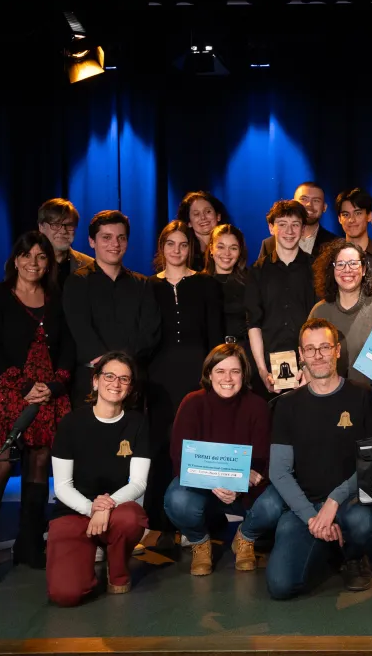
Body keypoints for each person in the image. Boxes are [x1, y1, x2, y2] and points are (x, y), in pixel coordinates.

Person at [0, 231, 73, 579]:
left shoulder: (56, 297)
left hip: (48, 393)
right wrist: (24, 386)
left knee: (39, 463)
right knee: (1, 465)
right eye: (27, 255)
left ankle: (28, 545)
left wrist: (56, 384)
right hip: (11, 389)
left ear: (48, 263)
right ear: (15, 260)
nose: (34, 262)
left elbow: (69, 346)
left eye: (41, 257)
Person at [264, 318, 372, 599]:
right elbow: (278, 472)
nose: (318, 355)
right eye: (310, 349)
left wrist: (334, 501)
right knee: (280, 587)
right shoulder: (287, 405)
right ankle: (329, 549)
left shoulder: (362, 397)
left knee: (362, 522)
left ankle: (352, 556)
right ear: (301, 355)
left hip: (350, 503)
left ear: (337, 351)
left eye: (325, 347)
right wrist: (313, 518)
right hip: (305, 508)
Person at [47, 352, 150, 607]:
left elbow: (138, 483)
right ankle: (87, 557)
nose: (116, 383)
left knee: (131, 518)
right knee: (65, 594)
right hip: (74, 510)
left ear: (130, 387)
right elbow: (61, 487)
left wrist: (106, 506)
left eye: (124, 379)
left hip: (116, 510)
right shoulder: (71, 423)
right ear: (95, 381)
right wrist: (90, 508)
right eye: (109, 376)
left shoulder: (137, 423)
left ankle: (116, 573)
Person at [163, 344, 273, 575]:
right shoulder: (192, 403)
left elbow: (263, 459)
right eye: (220, 371)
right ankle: (200, 542)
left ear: (244, 374)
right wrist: (219, 479)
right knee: (177, 499)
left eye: (235, 371)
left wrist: (239, 484)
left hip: (245, 491)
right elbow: (181, 457)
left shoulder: (258, 406)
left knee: (275, 502)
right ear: (209, 373)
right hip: (204, 489)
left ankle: (245, 537)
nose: (228, 378)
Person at [146, 221, 223, 541]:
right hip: (158, 376)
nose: (176, 251)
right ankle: (159, 522)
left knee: (200, 444)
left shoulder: (206, 284)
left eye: (183, 245)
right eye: (170, 244)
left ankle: (201, 521)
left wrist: (214, 377)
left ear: (192, 249)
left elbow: (216, 336)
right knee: (162, 445)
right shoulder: (147, 286)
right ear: (161, 248)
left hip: (197, 373)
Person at [62, 210, 161, 407]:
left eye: (121, 238)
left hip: (132, 381)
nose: (115, 244)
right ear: (92, 241)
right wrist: (109, 371)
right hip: (90, 381)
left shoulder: (142, 284)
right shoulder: (77, 282)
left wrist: (123, 369)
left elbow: (150, 332)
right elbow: (80, 330)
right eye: (106, 238)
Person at [245, 200, 318, 396]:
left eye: (295, 225)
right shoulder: (257, 271)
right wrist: (261, 370)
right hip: (268, 367)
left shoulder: (316, 269)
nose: (289, 231)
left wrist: (310, 368)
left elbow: (320, 323)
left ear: (303, 229)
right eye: (282, 224)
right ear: (271, 228)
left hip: (310, 367)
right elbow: (254, 324)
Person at [309, 240, 372, 387]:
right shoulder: (319, 311)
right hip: (330, 397)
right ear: (332, 270)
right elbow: (307, 359)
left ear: (363, 269)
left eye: (353, 263)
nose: (347, 270)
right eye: (340, 264)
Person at [257, 182, 340, 262]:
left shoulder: (336, 244)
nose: (309, 205)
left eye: (316, 200)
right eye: (304, 199)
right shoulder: (269, 244)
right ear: (293, 203)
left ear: (324, 207)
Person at [205, 224, 249, 344]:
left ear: (240, 251)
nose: (227, 253)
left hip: (244, 350)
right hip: (213, 353)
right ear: (211, 249)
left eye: (233, 248)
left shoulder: (250, 281)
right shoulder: (200, 283)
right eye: (221, 247)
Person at [336, 187, 372, 275]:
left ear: (369, 216)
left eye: (358, 213)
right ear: (339, 219)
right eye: (345, 214)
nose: (351, 220)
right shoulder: (331, 257)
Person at [37, 198, 93, 287]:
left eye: (69, 225)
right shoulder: (26, 265)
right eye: (55, 224)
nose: (63, 231)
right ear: (41, 227)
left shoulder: (90, 265)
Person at [177, 191, 226, 271]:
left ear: (218, 216)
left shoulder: (230, 248)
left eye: (208, 212)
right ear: (189, 222)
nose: (203, 217)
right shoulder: (182, 252)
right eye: (196, 214)